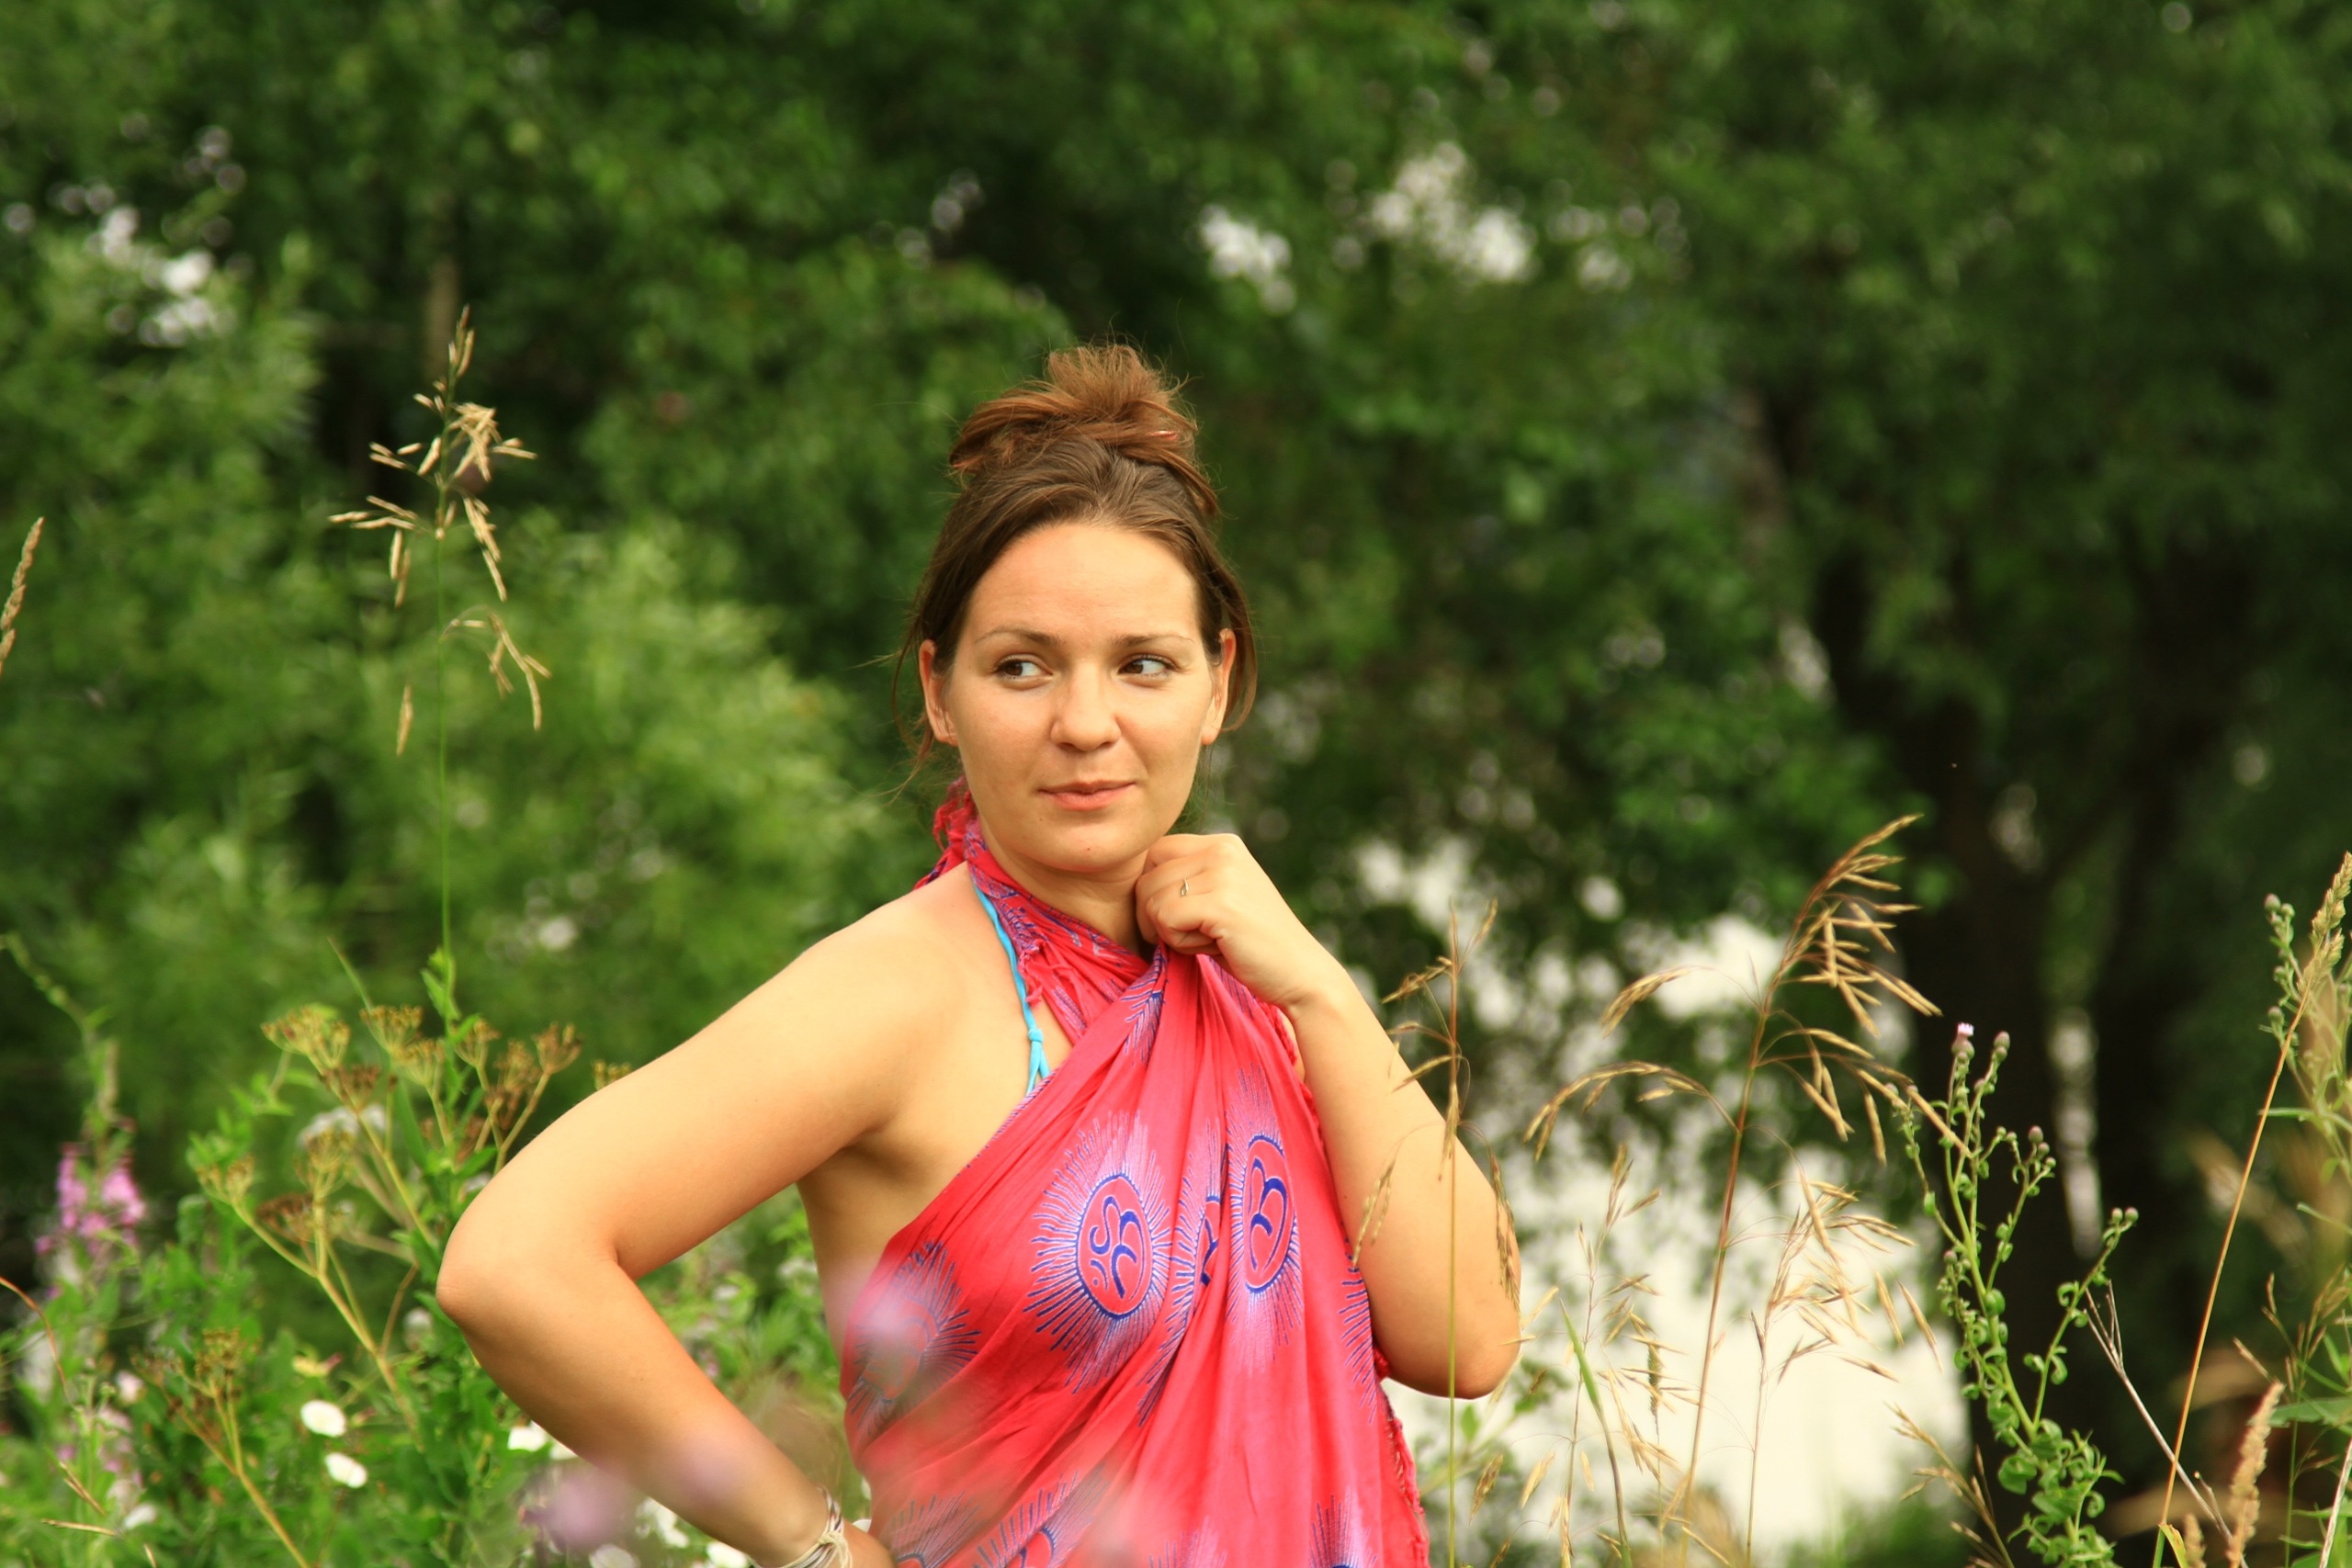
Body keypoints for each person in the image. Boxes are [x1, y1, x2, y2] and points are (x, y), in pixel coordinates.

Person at [438, 344, 1522, 1567]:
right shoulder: (903, 992)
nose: (1085, 723)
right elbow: (514, 1263)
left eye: (1143, 664)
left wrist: (1320, 988)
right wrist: (812, 1545)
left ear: (1218, 685)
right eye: (1022, 666)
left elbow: (1469, 1340)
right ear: (940, 692)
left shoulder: (1255, 986)